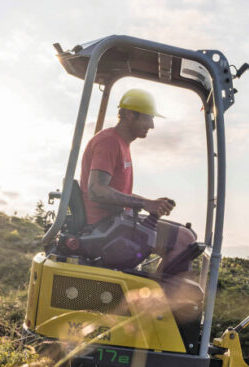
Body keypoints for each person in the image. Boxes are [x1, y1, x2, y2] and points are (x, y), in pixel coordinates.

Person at [80, 88, 196, 271]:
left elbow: (117, 192)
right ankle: (163, 298)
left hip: (117, 218)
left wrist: (151, 203)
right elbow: (96, 190)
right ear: (129, 114)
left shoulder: (121, 143)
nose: (152, 125)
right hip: (104, 225)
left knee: (188, 235)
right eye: (147, 118)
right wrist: (144, 203)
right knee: (184, 240)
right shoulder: (109, 142)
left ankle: (156, 294)